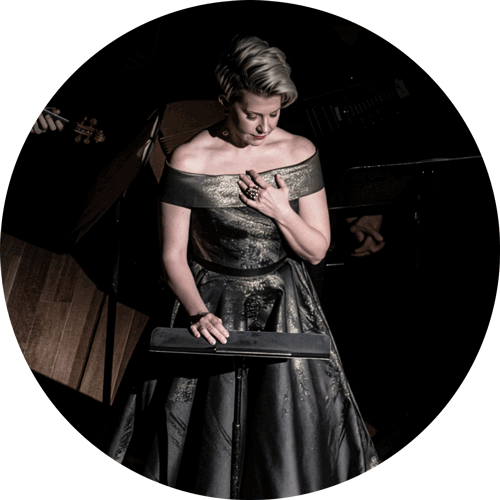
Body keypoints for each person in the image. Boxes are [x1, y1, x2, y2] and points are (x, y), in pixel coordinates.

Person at [103, 36, 378, 498]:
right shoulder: (190, 159)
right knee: (197, 433)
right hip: (210, 297)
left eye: (275, 113)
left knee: (284, 425)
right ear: (225, 100)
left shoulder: (299, 152)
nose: (265, 126)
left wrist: (281, 210)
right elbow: (172, 255)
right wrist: (197, 311)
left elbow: (315, 251)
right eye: (253, 114)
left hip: (283, 301)